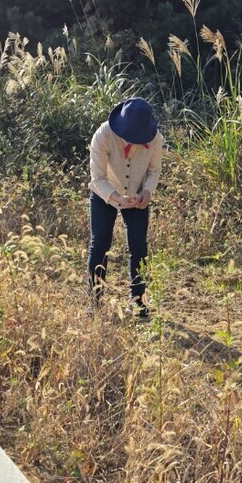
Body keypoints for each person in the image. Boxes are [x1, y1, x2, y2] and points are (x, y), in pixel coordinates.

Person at [87, 96, 165, 318]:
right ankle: (94, 300)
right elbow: (98, 176)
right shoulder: (103, 135)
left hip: (138, 194)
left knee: (139, 246)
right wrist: (116, 198)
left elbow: (154, 170)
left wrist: (147, 192)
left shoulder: (156, 138)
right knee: (100, 243)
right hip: (105, 192)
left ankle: (138, 302)